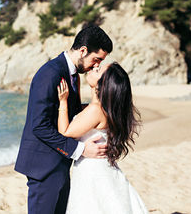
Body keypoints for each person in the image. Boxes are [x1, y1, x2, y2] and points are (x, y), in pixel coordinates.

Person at [14, 25, 113, 214]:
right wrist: (81, 150)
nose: (96, 65)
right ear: (83, 50)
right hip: (44, 167)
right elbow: (39, 126)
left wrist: (94, 109)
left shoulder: (72, 73)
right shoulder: (50, 73)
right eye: (96, 59)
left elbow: (69, 114)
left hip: (60, 163)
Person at [57, 62, 148, 213]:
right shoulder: (101, 108)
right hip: (98, 168)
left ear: (103, 84)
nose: (94, 67)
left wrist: (63, 102)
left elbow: (65, 132)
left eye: (99, 70)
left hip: (92, 171)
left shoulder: (95, 110)